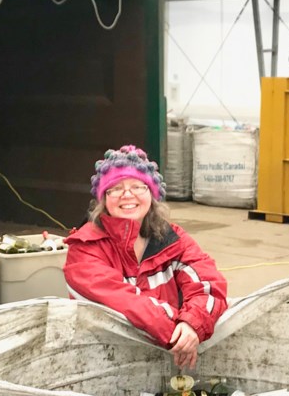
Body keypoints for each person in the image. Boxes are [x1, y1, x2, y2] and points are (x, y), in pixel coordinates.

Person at [64, 144, 228, 369]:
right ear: (103, 199)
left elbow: (209, 286)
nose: (127, 194)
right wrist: (179, 333)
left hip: (169, 361)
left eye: (138, 186)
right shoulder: (84, 247)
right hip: (104, 362)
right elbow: (125, 303)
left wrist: (192, 324)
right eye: (115, 188)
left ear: (152, 194)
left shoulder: (173, 240)